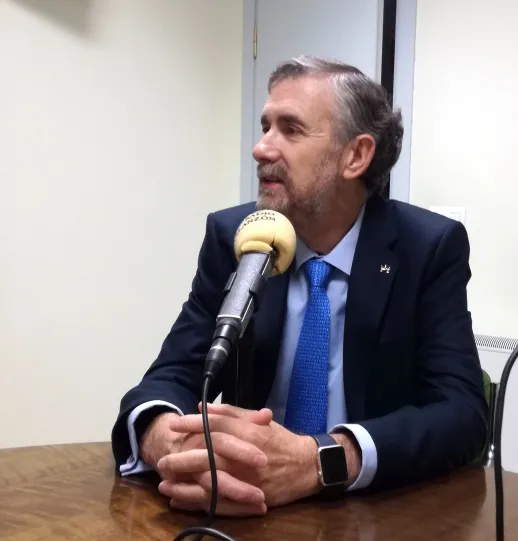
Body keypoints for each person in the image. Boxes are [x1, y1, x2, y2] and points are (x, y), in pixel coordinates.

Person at [111, 56, 488, 517]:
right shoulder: (238, 236)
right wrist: (169, 442)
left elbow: (462, 414)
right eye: (265, 126)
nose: (261, 148)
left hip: (373, 512)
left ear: (356, 155)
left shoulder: (426, 247)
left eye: (290, 129)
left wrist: (321, 460)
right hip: (247, 508)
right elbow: (171, 375)